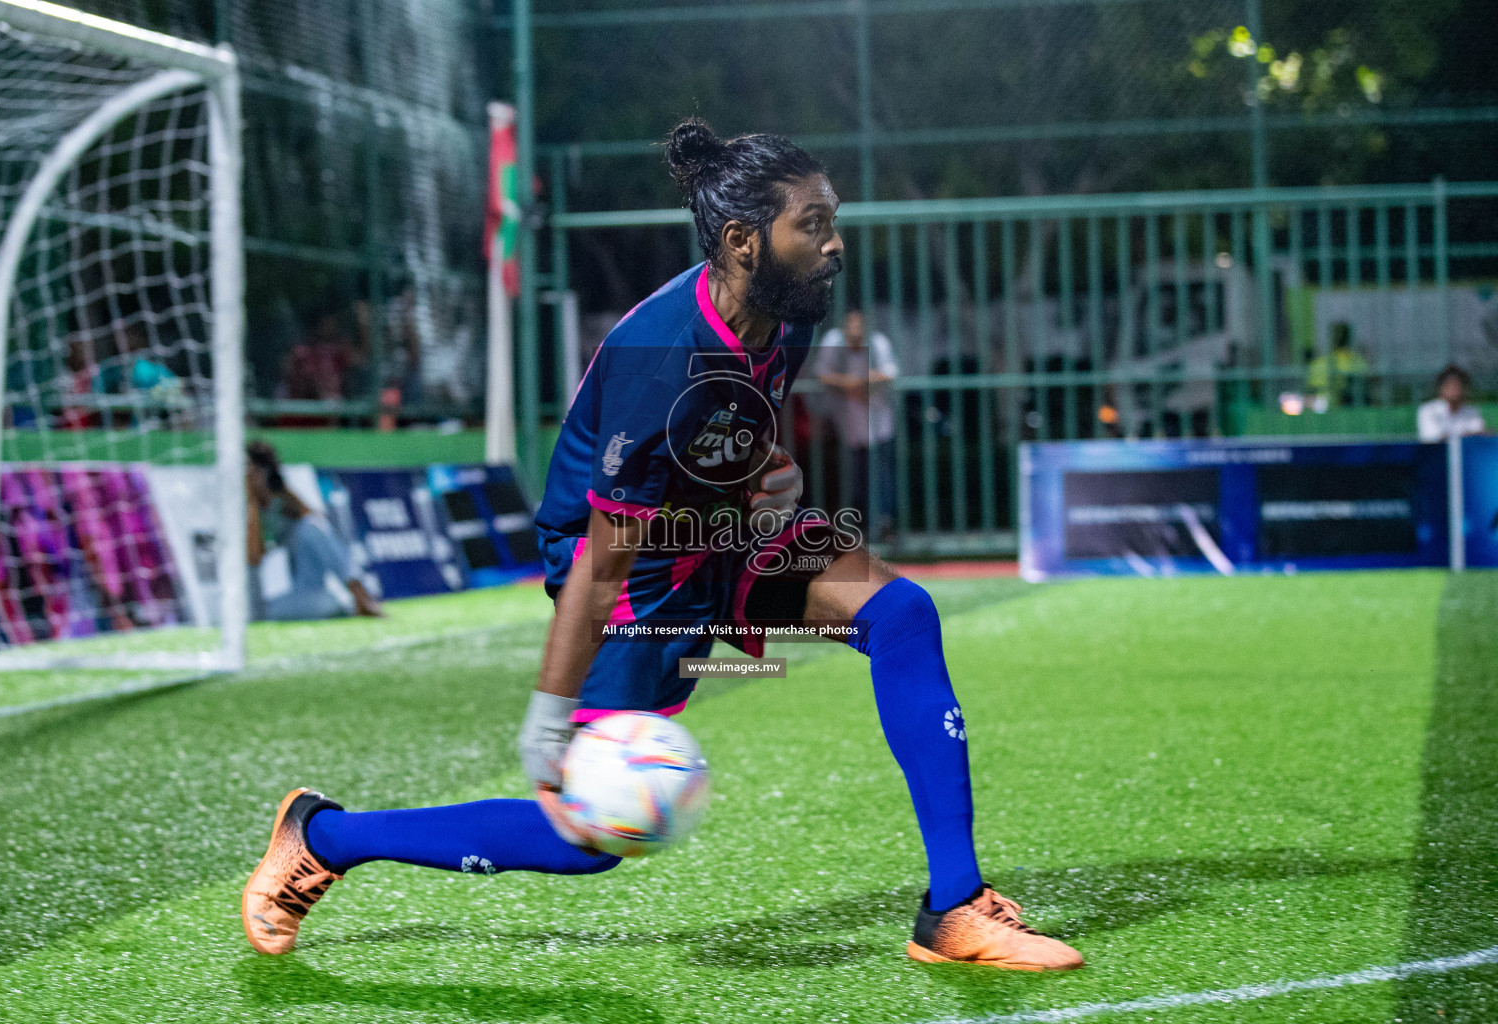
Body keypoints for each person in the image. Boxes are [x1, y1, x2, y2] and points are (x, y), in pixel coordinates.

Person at [240, 119, 1083, 972]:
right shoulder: (658, 359)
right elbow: (606, 556)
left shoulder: (789, 311)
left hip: (718, 528)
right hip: (631, 563)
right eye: (815, 223)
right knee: (585, 839)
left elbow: (733, 429)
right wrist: (549, 715)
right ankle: (326, 836)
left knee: (900, 614)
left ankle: (953, 909)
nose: (835, 244)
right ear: (743, 241)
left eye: (834, 218)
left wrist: (769, 470)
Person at [245, 441, 382, 621]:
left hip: (304, 583)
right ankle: (352, 599)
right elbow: (254, 558)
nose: (257, 478)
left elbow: (318, 525)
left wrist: (282, 490)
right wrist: (252, 500)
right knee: (318, 605)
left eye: (260, 472)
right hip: (261, 602)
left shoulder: (281, 495)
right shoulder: (245, 506)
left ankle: (357, 590)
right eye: (253, 473)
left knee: (312, 526)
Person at [816, 308, 898, 535]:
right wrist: (854, 386)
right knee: (852, 478)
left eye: (859, 325)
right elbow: (823, 374)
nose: (855, 330)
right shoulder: (833, 341)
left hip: (878, 423)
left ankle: (883, 524)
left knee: (880, 477)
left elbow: (889, 374)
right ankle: (854, 525)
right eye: (850, 325)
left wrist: (856, 385)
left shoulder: (877, 342)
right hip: (846, 424)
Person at [1417, 365, 1485, 442]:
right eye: (1451, 385)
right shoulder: (1428, 411)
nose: (1455, 389)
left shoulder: (1472, 411)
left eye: (1458, 385)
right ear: (1441, 388)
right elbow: (1432, 438)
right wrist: (1467, 435)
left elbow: (1479, 437)